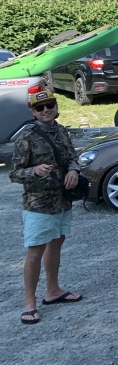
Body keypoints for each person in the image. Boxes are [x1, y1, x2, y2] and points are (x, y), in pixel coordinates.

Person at [10, 90, 85, 324]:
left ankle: (53, 290)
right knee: (35, 251)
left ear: (55, 106)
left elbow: (72, 157)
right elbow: (14, 173)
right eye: (40, 107)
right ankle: (29, 303)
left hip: (62, 199)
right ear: (32, 112)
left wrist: (73, 170)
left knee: (57, 242)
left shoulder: (61, 131)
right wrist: (34, 170)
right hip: (38, 204)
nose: (46, 110)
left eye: (50, 105)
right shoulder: (26, 137)